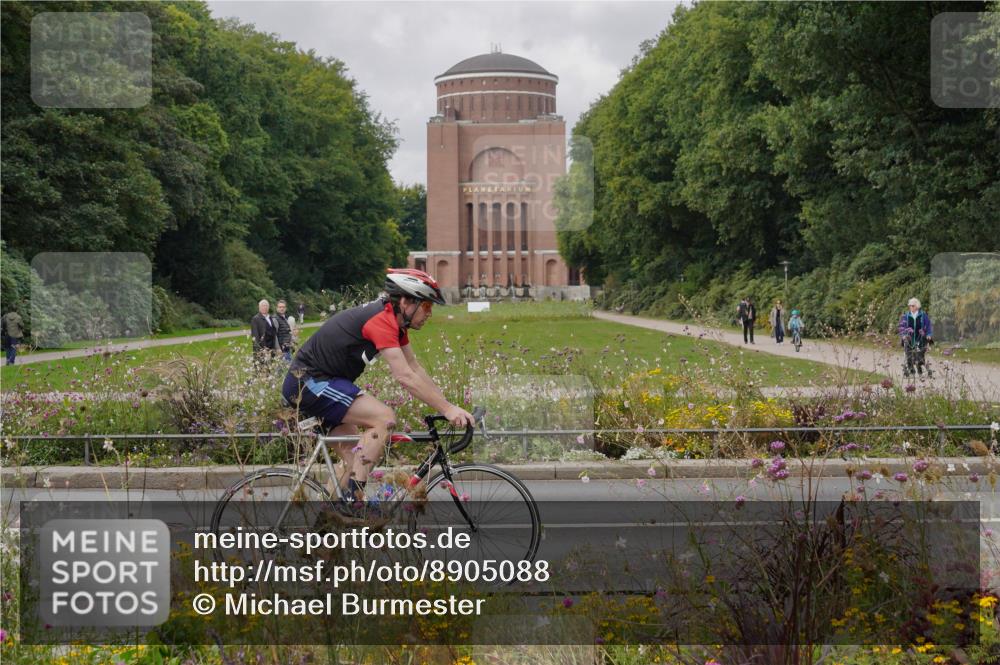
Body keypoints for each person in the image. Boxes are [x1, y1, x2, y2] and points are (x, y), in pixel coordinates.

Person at [283, 268, 474, 503]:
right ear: (405, 302)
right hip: (308, 382)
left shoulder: (396, 324)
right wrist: (447, 410)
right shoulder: (381, 320)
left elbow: (414, 368)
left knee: (355, 461)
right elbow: (404, 376)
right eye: (426, 306)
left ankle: (329, 526)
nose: (429, 313)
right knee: (384, 418)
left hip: (324, 382)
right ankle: (356, 503)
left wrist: (448, 405)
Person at [898, 297, 933, 377]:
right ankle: (911, 370)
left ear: (917, 306)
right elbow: (901, 326)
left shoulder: (923, 315)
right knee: (908, 354)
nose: (911, 307)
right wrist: (903, 335)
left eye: (913, 306)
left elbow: (928, 326)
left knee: (919, 355)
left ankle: (920, 368)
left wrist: (928, 334)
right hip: (909, 338)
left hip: (920, 338)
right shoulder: (906, 316)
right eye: (910, 306)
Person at [250, 299, 279, 366]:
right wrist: (261, 351)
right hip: (262, 350)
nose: (265, 307)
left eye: (266, 306)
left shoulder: (270, 318)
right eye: (263, 306)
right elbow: (255, 337)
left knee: (270, 370)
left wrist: (276, 348)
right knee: (262, 371)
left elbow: (273, 333)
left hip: (271, 349)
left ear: (268, 307)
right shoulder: (255, 319)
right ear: (259, 307)